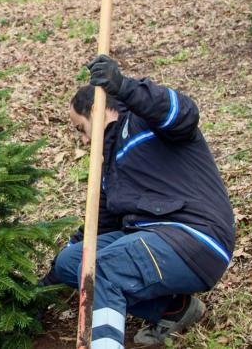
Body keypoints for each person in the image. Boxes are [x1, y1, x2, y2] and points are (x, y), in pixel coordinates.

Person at [41, 55, 235, 347]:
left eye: (80, 129)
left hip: (194, 236)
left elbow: (184, 113)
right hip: (148, 237)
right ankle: (174, 309)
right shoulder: (109, 166)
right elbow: (100, 226)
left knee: (104, 268)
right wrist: (48, 280)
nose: (82, 141)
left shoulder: (146, 122)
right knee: (75, 262)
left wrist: (123, 86)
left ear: (95, 109)